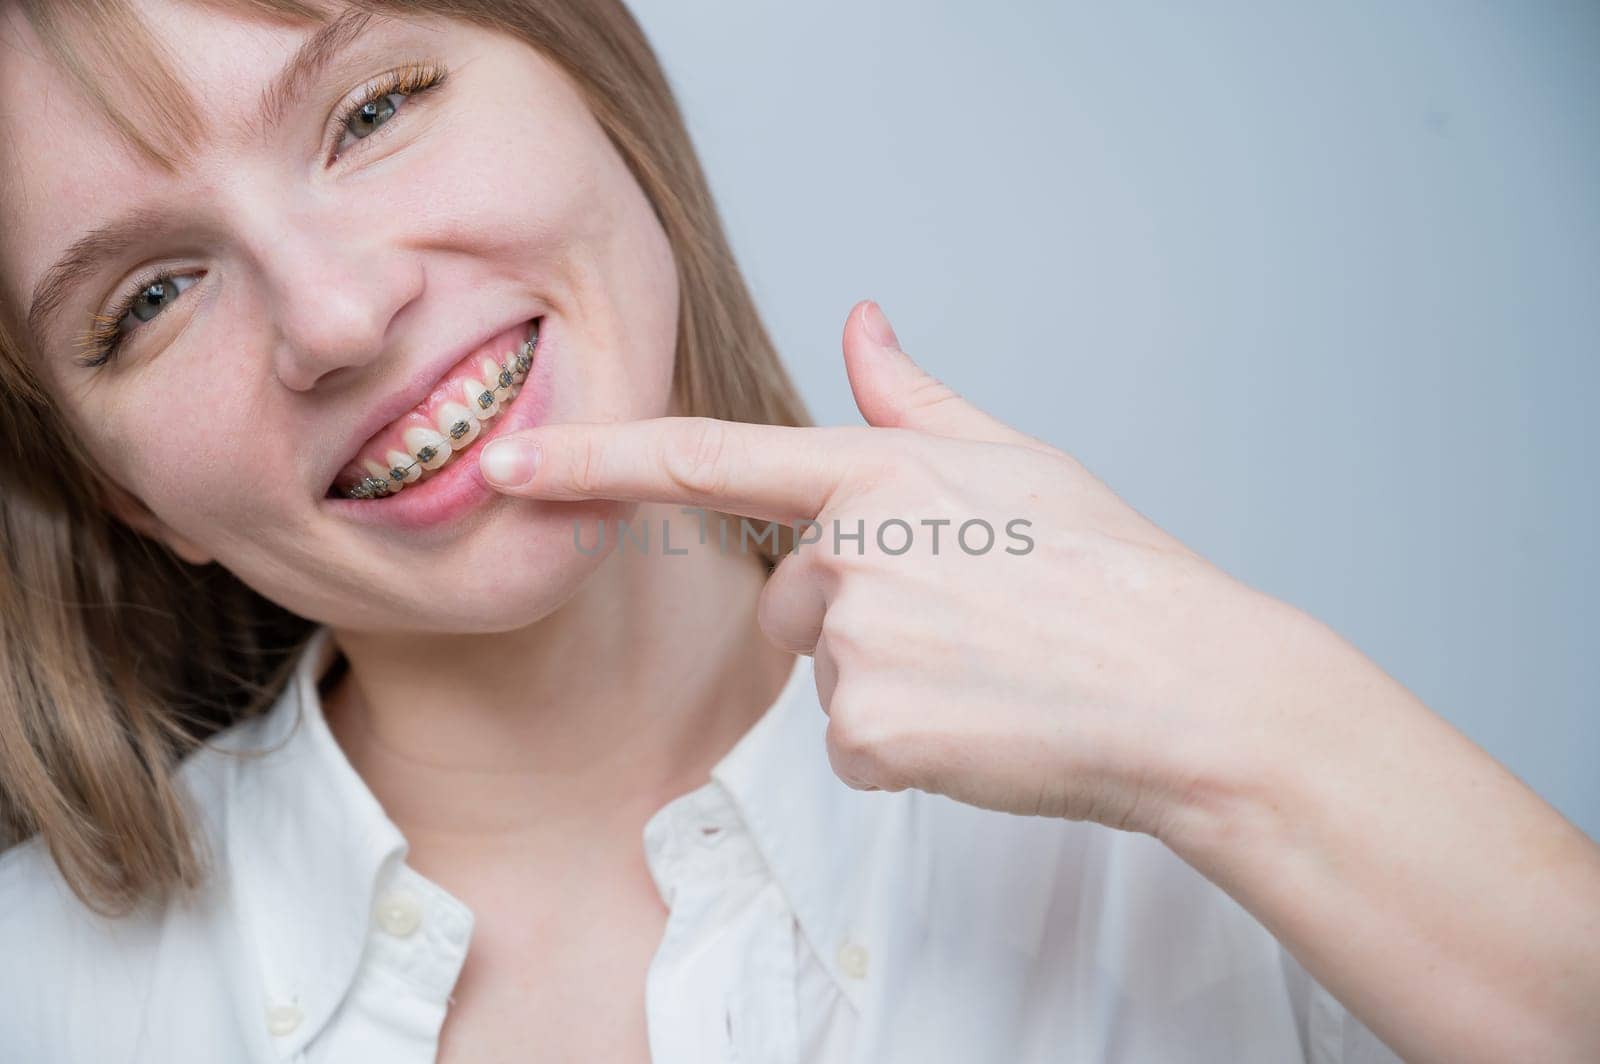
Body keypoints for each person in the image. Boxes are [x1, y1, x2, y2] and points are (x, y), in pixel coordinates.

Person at [0, 1, 1595, 1062]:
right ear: (125, 494)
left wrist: (1242, 729)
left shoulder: (1194, 847)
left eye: (374, 108)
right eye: (151, 298)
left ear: (598, 88)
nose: (337, 314)